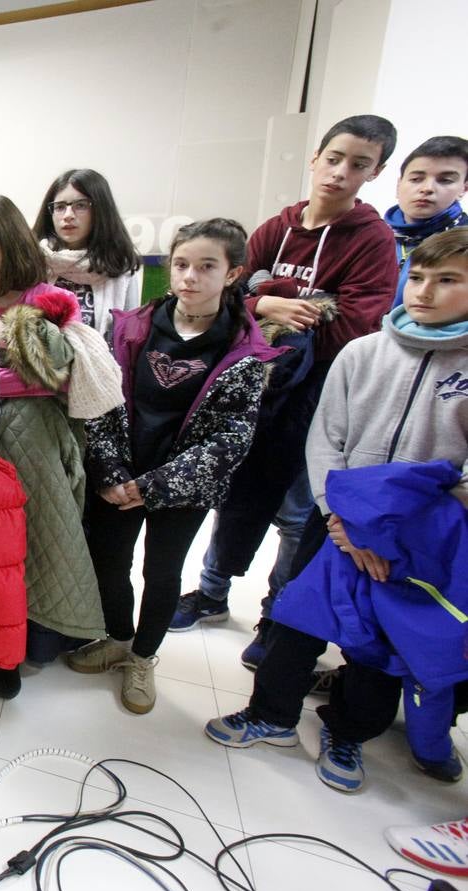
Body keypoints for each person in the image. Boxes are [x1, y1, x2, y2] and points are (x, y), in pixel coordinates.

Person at [204, 228, 468, 794]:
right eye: (418, 277)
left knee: (380, 641)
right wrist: (339, 518)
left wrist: (395, 532)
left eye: (448, 281)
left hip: (417, 540)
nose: (424, 291)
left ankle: (348, 731)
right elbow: (327, 439)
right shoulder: (364, 352)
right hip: (342, 523)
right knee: (296, 620)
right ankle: (270, 716)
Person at [171, 116, 399, 669]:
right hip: (256, 385)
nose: (342, 173)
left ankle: (279, 611)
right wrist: (272, 302)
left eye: (359, 164)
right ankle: (211, 592)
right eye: (336, 158)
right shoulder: (277, 227)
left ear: (376, 172)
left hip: (316, 392)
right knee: (236, 492)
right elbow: (234, 294)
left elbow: (357, 325)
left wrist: (274, 300)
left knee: (298, 510)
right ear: (316, 157)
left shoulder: (373, 241)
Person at [67, 219, 276, 714]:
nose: (189, 277)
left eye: (207, 267)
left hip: (182, 487)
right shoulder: (133, 327)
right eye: (181, 264)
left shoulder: (243, 350)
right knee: (111, 561)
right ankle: (118, 638)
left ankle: (142, 656)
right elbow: (100, 400)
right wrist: (113, 473)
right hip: (120, 474)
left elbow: (231, 440)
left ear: (232, 273)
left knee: (162, 572)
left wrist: (154, 486)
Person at [0, 194, 121, 700]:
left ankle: (19, 644)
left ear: (6, 242)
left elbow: (52, 377)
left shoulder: (47, 299)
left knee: (31, 546)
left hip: (35, 446)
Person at [34, 169, 144, 336]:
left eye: (81, 205)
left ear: (101, 209)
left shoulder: (121, 266)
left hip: (101, 360)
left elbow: (129, 335)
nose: (68, 215)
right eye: (60, 207)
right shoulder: (36, 260)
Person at [386, 135, 468, 307]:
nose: (427, 188)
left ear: (464, 188)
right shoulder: (371, 234)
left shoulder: (464, 241)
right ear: (399, 184)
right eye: (416, 179)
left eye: (445, 180)